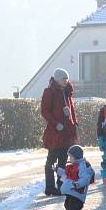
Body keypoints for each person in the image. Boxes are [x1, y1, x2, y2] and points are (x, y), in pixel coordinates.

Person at [41, 68, 78, 196]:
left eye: (67, 79)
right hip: (55, 133)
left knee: (63, 159)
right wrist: (56, 124)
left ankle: (61, 185)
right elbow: (45, 111)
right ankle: (50, 186)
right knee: (51, 159)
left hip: (66, 132)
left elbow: (71, 109)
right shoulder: (49, 92)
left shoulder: (67, 92)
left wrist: (74, 123)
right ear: (57, 79)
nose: (66, 81)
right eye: (64, 79)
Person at [56, 145, 95, 210]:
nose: (69, 159)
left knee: (73, 206)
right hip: (71, 191)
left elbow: (85, 178)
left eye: (71, 156)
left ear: (76, 156)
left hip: (78, 192)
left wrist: (78, 184)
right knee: (67, 205)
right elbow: (67, 175)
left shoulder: (82, 166)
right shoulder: (73, 165)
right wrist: (57, 170)